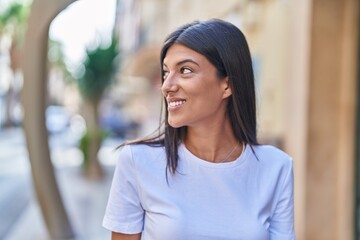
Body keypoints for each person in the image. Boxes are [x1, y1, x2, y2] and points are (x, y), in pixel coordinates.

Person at [103, 19, 295, 240]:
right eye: (166, 72)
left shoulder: (276, 167)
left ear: (227, 85)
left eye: (185, 70)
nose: (167, 86)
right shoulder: (138, 161)